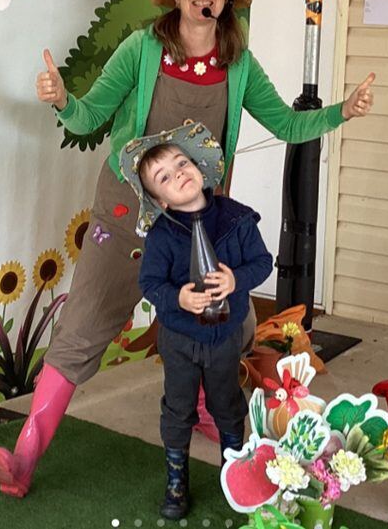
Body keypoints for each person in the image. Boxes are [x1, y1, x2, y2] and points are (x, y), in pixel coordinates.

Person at [0, 0, 375, 498]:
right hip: (123, 211)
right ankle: (23, 457)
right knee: (84, 325)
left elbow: (287, 125)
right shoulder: (142, 48)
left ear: (226, 1)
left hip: (197, 222)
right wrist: (63, 99)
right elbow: (91, 114)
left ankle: (210, 415)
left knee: (216, 323)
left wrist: (343, 111)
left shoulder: (237, 64)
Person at [120, 123, 272, 519]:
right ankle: (176, 479)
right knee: (178, 407)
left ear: (200, 169)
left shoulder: (237, 220)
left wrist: (237, 278)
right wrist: (179, 298)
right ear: (161, 201)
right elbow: (150, 282)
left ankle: (233, 470)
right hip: (180, 339)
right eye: (164, 177)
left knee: (227, 402)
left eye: (181, 163)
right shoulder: (162, 235)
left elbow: (262, 262)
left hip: (225, 336)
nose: (178, 174)